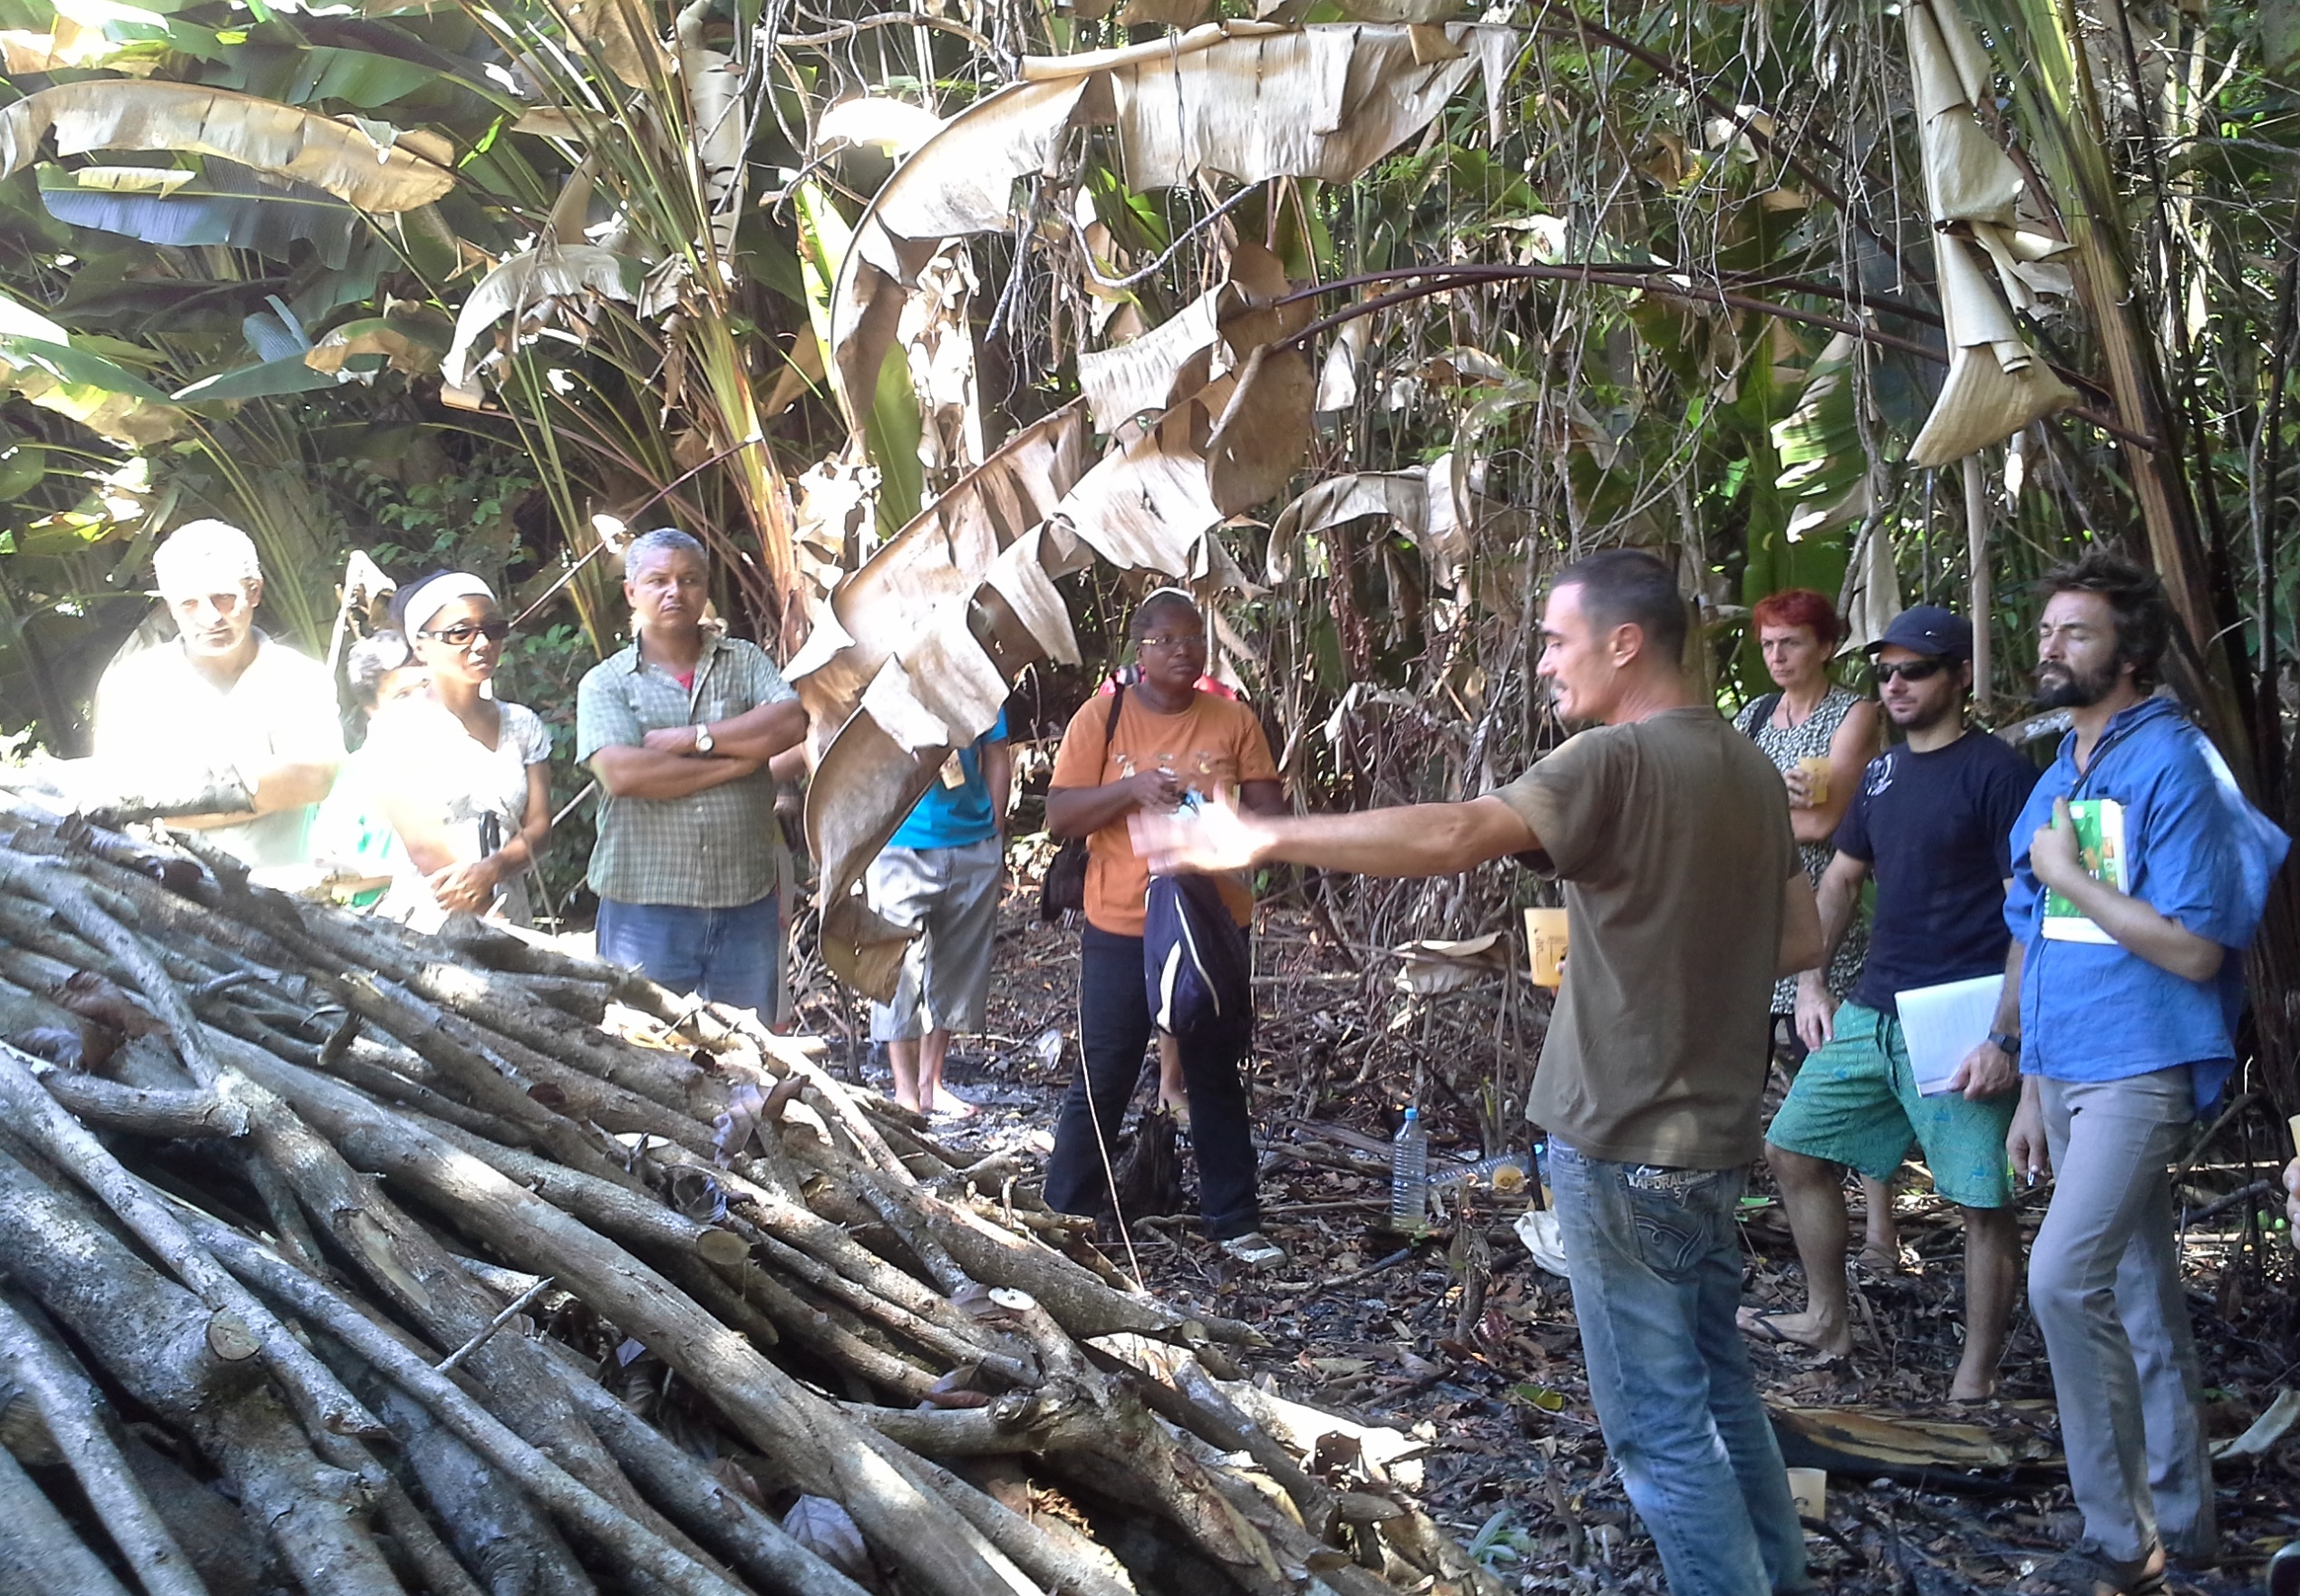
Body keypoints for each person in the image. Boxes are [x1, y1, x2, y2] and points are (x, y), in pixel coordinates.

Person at [1142, 550, 1824, 1596]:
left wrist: (1260, 832)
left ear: (1622, 643)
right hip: (1711, 1138)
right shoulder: (1741, 762)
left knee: (1656, 1432)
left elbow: (1459, 833)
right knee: (1718, 1392)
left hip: (1621, 1138)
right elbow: (1793, 939)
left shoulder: (1613, 760)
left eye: (1556, 642)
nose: (1545, 663)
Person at [2004, 553, 2287, 1594]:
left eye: (2072, 633)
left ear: (2126, 654)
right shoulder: (2057, 770)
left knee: (2058, 1280)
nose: (2048, 647)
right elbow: (2031, 932)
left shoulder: (2175, 766)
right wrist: (2029, 1084)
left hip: (2140, 1061)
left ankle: (2118, 1542)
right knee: (2133, 1295)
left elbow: (2194, 948)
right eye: (2044, 631)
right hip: (2066, 1062)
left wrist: (2070, 873)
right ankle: (2183, 1522)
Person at [1739, 605, 2037, 1403]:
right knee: (1793, 1148)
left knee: (1978, 1197)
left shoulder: (1996, 772)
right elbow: (1838, 879)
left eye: (1917, 669)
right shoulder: (1879, 773)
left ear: (1960, 677)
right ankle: (1824, 1318)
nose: (1897, 684)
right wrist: (1810, 978)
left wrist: (2006, 1033)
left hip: (1960, 1015)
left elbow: (2028, 913)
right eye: (1887, 671)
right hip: (1873, 1007)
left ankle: (1973, 1377)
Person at [1042, 590, 1286, 1267]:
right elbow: (1060, 815)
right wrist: (1132, 790)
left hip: (1212, 921)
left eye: (1194, 639)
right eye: (1168, 640)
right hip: (1121, 921)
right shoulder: (1102, 717)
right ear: (1140, 652)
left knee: (1212, 1067)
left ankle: (1234, 1220)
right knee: (1104, 1072)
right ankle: (1064, 1219)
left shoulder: (1232, 719)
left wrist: (1221, 814)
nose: (1184, 652)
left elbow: (1271, 811)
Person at [576, 528, 808, 1017]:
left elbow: (790, 722)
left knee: (751, 1053)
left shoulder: (742, 661)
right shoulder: (606, 683)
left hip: (745, 899)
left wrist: (695, 738)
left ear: (705, 589)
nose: (674, 591)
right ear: (631, 592)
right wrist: (740, 761)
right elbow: (623, 773)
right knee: (643, 1050)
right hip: (645, 905)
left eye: (689, 579)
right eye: (657, 580)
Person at [1732, 587, 1891, 1262]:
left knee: (1840, 1071)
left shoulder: (1853, 713)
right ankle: (1756, 1215)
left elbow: (1830, 821)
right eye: (1767, 643)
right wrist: (1774, 804)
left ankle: (1881, 1231)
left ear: (1825, 646)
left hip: (1828, 916)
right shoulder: (1753, 714)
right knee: (1743, 1076)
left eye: (1790, 642)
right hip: (1755, 916)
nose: (1776, 655)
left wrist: (1757, 809)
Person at [92, 519, 342, 866]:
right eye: (189, 604)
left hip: (287, 893)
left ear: (254, 591)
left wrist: (166, 806)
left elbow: (313, 780)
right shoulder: (133, 683)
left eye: (222, 598)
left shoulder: (300, 677)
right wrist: (265, 789)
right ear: (168, 605)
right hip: (169, 891)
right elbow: (114, 798)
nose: (209, 618)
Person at [364, 575, 553, 929]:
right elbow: (421, 843)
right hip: (432, 915)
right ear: (420, 646)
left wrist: (493, 871)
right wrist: (481, 908)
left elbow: (540, 827)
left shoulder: (522, 725)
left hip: (509, 909)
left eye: (493, 629)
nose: (481, 643)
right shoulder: (395, 729)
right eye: (459, 633)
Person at [866, 711, 1013, 1117]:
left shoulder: (976, 676)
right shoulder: (885, 676)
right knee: (896, 965)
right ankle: (905, 1090)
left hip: (972, 839)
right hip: (899, 839)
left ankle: (932, 1084)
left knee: (956, 962)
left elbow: (997, 754)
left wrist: (994, 831)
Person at [310, 630, 432, 904]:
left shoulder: (467, 755)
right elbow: (331, 871)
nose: (420, 701)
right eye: (403, 695)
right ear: (372, 709)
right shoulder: (358, 775)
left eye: (426, 686)